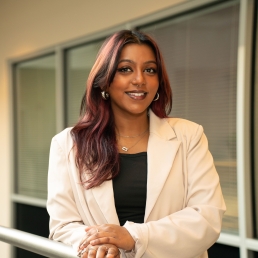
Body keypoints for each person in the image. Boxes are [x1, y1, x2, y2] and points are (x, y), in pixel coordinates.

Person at [47, 30, 226, 258]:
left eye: (149, 70)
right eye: (125, 69)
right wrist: (98, 244)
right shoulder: (68, 144)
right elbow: (63, 226)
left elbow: (207, 217)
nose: (139, 79)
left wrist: (134, 237)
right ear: (105, 80)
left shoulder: (189, 135)